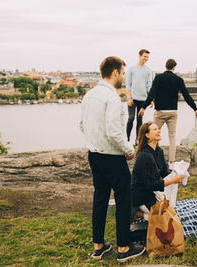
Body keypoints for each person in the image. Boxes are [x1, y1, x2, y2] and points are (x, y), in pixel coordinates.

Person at [80, 56, 145, 262]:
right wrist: (129, 149)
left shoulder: (89, 95)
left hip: (94, 154)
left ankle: (99, 246)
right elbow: (114, 132)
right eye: (123, 73)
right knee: (123, 200)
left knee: (100, 199)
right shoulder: (112, 98)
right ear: (115, 72)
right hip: (113, 157)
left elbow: (82, 126)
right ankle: (124, 248)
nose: (124, 77)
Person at [138, 59, 197, 165]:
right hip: (172, 112)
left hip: (160, 112)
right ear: (174, 67)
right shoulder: (178, 79)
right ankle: (171, 161)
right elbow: (186, 95)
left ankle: (153, 159)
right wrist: (195, 108)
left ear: (165, 66)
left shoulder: (158, 78)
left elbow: (151, 94)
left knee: (153, 136)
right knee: (172, 137)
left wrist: (143, 107)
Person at [131, 122, 184, 219]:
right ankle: (139, 214)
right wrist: (172, 181)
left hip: (152, 192)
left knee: (171, 213)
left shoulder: (159, 151)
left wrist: (177, 174)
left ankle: (149, 213)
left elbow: (164, 172)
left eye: (158, 128)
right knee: (165, 217)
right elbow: (151, 185)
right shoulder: (144, 156)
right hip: (141, 195)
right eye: (154, 129)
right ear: (147, 135)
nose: (158, 130)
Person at [125, 49, 153, 143]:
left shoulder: (148, 70)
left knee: (139, 120)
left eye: (147, 57)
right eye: (145, 56)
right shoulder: (132, 69)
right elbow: (128, 84)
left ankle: (138, 140)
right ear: (139, 56)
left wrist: (151, 99)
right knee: (131, 118)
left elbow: (149, 86)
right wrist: (129, 98)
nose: (146, 58)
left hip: (143, 99)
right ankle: (127, 138)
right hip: (132, 99)